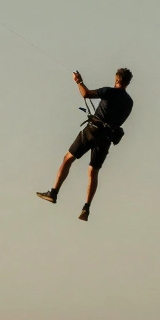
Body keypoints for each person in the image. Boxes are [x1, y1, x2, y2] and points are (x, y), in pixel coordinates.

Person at [37, 68, 134, 221]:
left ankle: (53, 193)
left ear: (117, 79)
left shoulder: (109, 92)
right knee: (93, 172)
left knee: (68, 158)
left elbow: (86, 94)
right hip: (106, 139)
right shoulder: (129, 102)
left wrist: (78, 81)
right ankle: (86, 208)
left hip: (92, 131)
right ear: (128, 82)